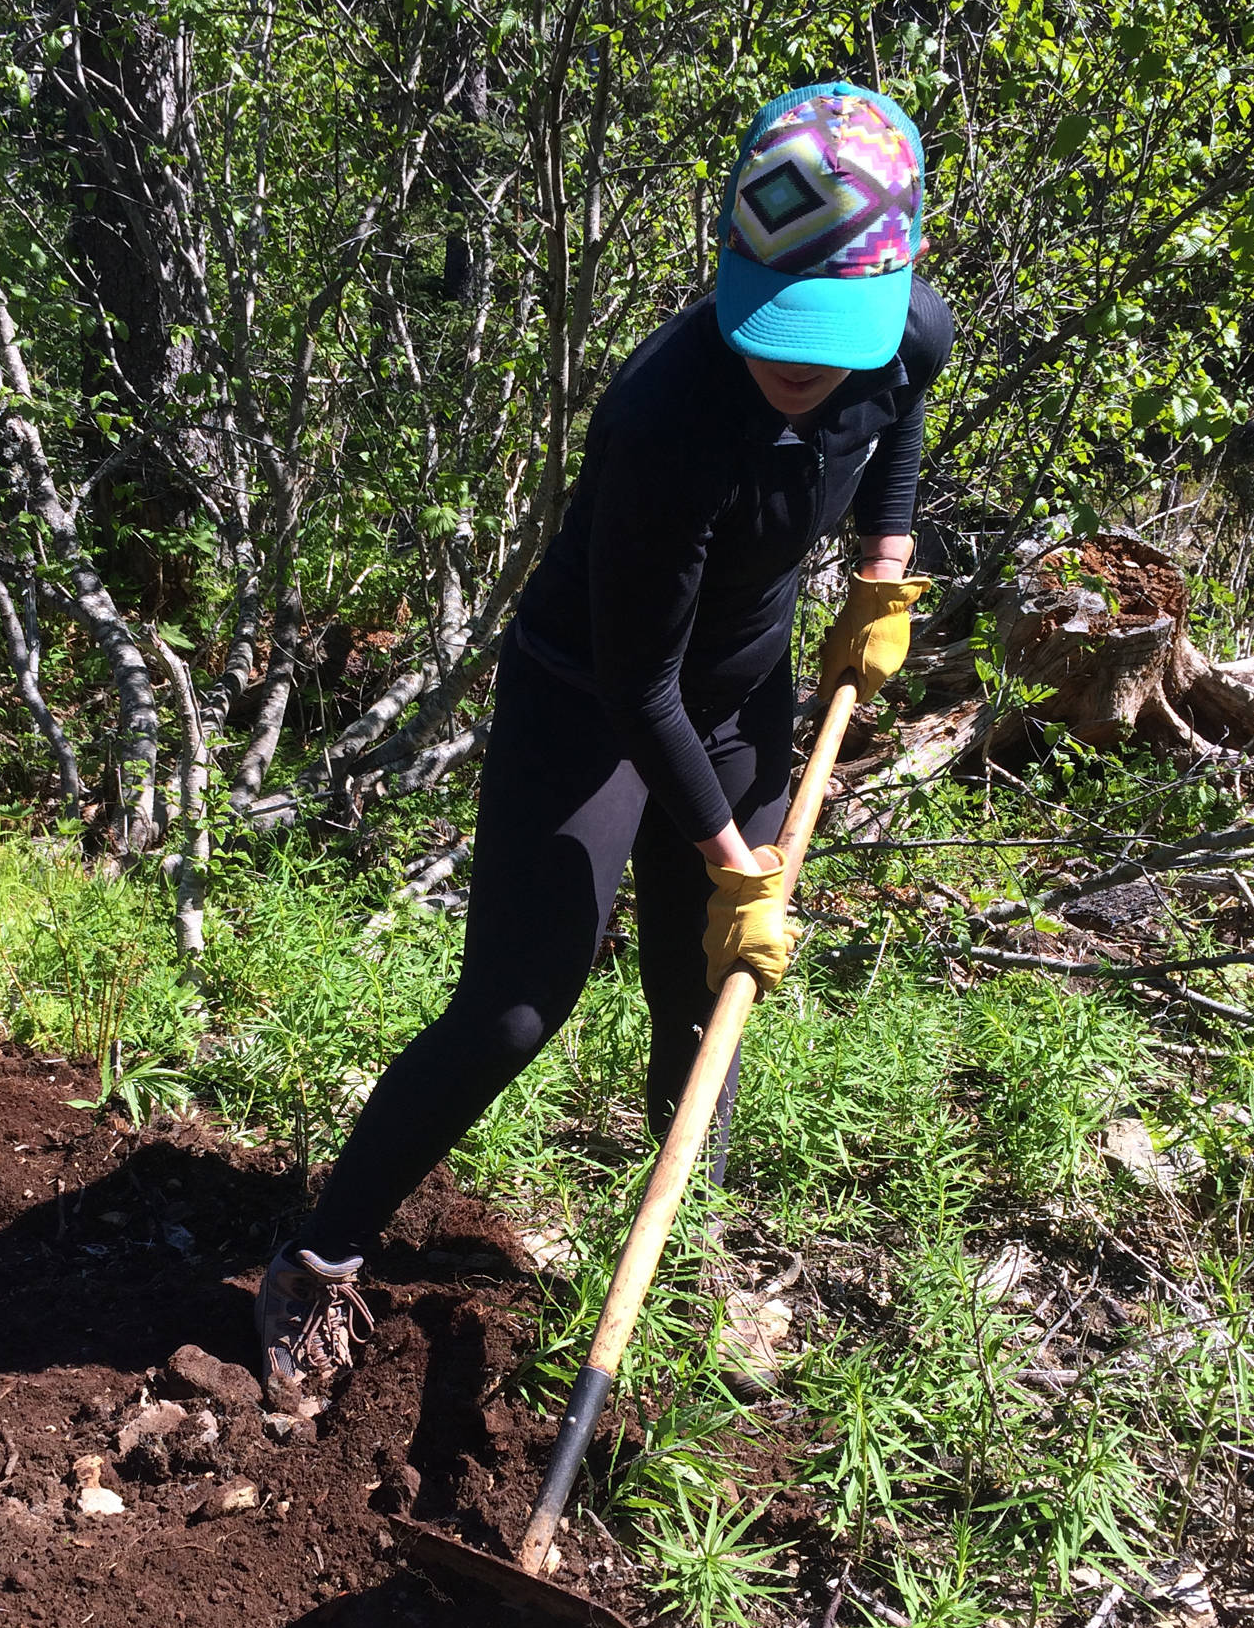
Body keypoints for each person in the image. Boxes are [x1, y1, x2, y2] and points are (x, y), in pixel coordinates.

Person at [255, 80, 953, 1411]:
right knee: (514, 1008)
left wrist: (881, 569)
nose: (795, 365)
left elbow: (898, 419)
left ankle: (672, 1263)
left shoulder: (906, 329)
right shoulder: (664, 415)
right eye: (773, 327)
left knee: (705, 1003)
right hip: (590, 700)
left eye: (831, 336)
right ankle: (315, 1255)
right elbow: (640, 686)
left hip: (739, 688)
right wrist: (737, 864)